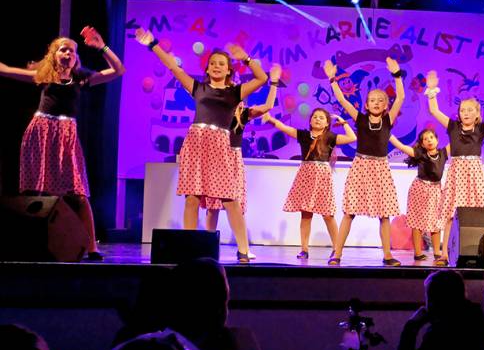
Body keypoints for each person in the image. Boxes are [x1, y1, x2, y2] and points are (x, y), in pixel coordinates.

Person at [135, 28, 268, 263]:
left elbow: (262, 78)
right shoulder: (198, 88)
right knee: (192, 198)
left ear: (228, 70)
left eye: (222, 64)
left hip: (220, 145)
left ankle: (243, 250)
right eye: (213, 63)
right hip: (196, 142)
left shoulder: (235, 92)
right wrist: (153, 44)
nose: (217, 66)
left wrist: (246, 58)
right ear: (207, 69)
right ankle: (190, 248)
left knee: (230, 198)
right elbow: (173, 67)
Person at [0, 27, 126, 260]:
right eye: (63, 50)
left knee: (79, 193)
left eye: (72, 51)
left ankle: (92, 247)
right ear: (54, 55)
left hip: (67, 136)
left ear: (76, 57)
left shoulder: (81, 78)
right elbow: (5, 70)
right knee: (38, 191)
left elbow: (118, 70)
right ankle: (34, 242)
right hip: (41, 133)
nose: (68, 53)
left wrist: (102, 47)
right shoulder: (43, 76)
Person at [424, 68, 484, 265]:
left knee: (480, 212)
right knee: (451, 213)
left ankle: (482, 251)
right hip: (457, 173)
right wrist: (431, 91)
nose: (465, 113)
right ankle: (445, 254)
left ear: (477, 114)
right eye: (462, 110)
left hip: (475, 174)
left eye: (470, 110)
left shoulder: (481, 129)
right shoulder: (453, 127)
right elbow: (434, 111)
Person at [327, 57, 406, 266]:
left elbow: (400, 98)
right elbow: (343, 100)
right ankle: (337, 253)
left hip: (380, 168)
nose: (376, 103)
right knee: (349, 213)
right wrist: (332, 80)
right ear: (366, 104)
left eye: (380, 100)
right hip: (361, 167)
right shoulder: (360, 119)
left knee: (384, 215)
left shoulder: (388, 120)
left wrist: (397, 75)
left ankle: (387, 255)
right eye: (372, 100)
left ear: (386, 105)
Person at [202, 65, 281, 260]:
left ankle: (242, 248)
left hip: (233, 159)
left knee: (234, 204)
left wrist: (273, 83)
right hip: (216, 157)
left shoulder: (244, 114)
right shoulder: (218, 112)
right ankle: (207, 248)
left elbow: (268, 106)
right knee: (213, 206)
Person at [263, 108, 356, 259]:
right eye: (315, 117)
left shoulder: (330, 137)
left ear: (327, 124)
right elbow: (284, 128)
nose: (317, 119)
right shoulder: (303, 135)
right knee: (306, 214)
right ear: (310, 121)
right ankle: (304, 249)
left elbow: (352, 138)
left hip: (323, 178)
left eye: (321, 117)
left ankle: (336, 248)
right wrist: (271, 119)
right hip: (306, 177)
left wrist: (343, 122)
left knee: (328, 215)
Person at [394, 270, 484, 350]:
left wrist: (410, 327)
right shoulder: (477, 318)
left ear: (432, 301)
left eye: (427, 297)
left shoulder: (440, 333)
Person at [389, 131, 449, 264]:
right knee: (417, 222)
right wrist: (388, 134)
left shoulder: (443, 153)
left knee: (436, 221)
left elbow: (457, 140)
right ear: (422, 144)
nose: (429, 140)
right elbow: (401, 147)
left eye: (431, 137)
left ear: (437, 140)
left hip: (436, 190)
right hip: (420, 189)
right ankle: (418, 253)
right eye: (425, 139)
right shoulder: (420, 154)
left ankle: (437, 252)